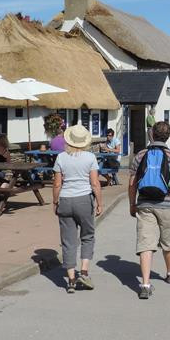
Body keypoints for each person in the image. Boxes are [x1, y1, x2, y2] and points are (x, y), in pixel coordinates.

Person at [128, 121, 170, 300]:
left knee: (146, 244)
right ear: (168, 136)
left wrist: (132, 204)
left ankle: (145, 285)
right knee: (167, 241)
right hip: (167, 205)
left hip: (145, 204)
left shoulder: (140, 155)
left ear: (152, 134)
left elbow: (132, 183)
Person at [52, 124, 103, 294]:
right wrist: (99, 203)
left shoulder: (61, 157)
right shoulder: (90, 157)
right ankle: (84, 272)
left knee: (68, 240)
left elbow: (57, 184)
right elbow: (95, 183)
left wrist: (55, 202)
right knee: (87, 236)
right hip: (84, 200)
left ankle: (71, 280)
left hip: (65, 199)